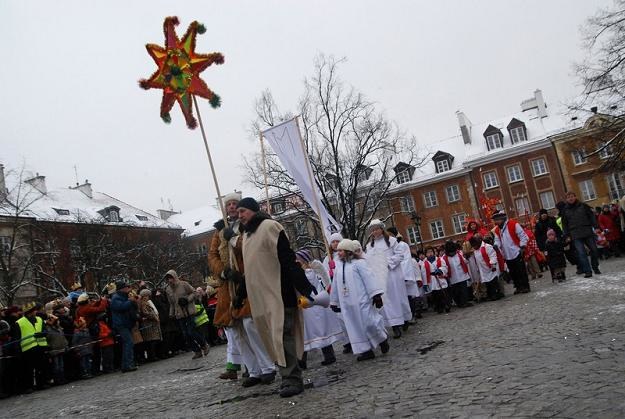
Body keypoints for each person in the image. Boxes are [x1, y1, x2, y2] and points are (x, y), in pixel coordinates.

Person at [237, 197, 317, 398]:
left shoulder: (270, 227)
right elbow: (251, 270)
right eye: (238, 212)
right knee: (272, 339)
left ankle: (292, 378)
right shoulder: (246, 236)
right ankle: (286, 375)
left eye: (243, 211)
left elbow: (287, 258)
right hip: (261, 298)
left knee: (283, 335)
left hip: (279, 292)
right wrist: (240, 294)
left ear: (254, 211)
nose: (239, 215)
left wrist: (303, 285)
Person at [208, 192, 276, 386]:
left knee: (250, 324)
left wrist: (233, 240)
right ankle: (253, 370)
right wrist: (224, 272)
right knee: (237, 331)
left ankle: (267, 366)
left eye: (234, 204)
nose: (231, 207)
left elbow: (250, 248)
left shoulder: (248, 225)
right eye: (228, 204)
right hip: (228, 285)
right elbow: (212, 256)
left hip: (247, 279)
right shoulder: (218, 231)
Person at [329, 239, 389, 361]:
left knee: (369, 323)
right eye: (338, 250)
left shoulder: (359, 263)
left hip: (362, 300)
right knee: (354, 327)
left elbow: (369, 279)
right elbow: (335, 285)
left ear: (348, 251)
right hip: (347, 304)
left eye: (341, 250)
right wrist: (334, 301)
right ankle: (366, 350)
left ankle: (382, 339)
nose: (338, 252)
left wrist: (376, 295)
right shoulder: (339, 267)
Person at [295, 249, 343, 368]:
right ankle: (301, 361)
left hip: (313, 305)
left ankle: (328, 356)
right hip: (305, 307)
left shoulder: (308, 272)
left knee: (319, 331)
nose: (296, 261)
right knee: (304, 334)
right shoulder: (301, 272)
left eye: (298, 259)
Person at [365, 219, 411, 339]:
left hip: (393, 275)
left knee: (398, 298)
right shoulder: (370, 246)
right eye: (373, 230)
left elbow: (400, 255)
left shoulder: (391, 241)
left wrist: (387, 263)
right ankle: (394, 326)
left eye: (377, 229)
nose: (375, 232)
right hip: (380, 277)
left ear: (381, 229)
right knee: (387, 302)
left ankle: (404, 319)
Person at [164, 269, 208, 359]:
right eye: (168, 279)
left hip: (189, 311)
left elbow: (194, 293)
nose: (169, 280)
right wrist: (171, 314)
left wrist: (187, 299)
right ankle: (197, 351)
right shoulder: (168, 290)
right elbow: (171, 303)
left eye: (171, 278)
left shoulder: (184, 284)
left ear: (174, 277)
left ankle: (204, 344)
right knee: (185, 335)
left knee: (191, 332)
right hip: (179, 314)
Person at [560, 191, 601, 278]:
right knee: (581, 253)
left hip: (587, 231)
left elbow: (591, 217)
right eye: (568, 197)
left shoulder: (583, 205)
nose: (570, 198)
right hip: (575, 234)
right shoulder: (565, 210)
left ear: (575, 197)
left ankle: (595, 266)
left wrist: (596, 227)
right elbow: (564, 224)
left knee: (594, 250)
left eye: (572, 196)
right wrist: (567, 235)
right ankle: (588, 271)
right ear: (566, 199)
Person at [13, 302, 49, 393]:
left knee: (41, 367)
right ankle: (28, 387)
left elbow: (45, 330)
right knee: (28, 370)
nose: (36, 311)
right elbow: (17, 338)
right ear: (30, 312)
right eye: (34, 310)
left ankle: (41, 384)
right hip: (28, 349)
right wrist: (18, 352)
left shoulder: (39, 319)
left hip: (40, 346)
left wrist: (43, 333)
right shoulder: (19, 322)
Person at [386, 228, 420, 324]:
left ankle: (411, 316)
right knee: (398, 298)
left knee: (408, 297)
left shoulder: (402, 245)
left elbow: (405, 261)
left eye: (390, 235)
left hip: (404, 276)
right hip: (394, 277)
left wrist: (404, 276)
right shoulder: (388, 247)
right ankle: (402, 318)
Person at [492, 211, 531, 294]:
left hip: (517, 251)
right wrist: (496, 245)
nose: (496, 222)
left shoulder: (513, 224)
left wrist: (522, 246)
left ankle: (525, 286)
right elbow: (497, 240)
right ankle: (518, 287)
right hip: (507, 254)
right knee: (513, 272)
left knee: (521, 270)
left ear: (502, 218)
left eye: (497, 220)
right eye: (495, 220)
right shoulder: (497, 230)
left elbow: (523, 236)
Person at [110, 279, 138, 373]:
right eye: (126, 287)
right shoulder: (116, 298)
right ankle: (127, 365)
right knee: (128, 343)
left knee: (128, 343)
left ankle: (128, 364)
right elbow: (121, 307)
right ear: (122, 288)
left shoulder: (122, 296)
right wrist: (131, 301)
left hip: (126, 323)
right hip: (121, 324)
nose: (128, 289)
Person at [469, 234, 503, 301]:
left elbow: (493, 255)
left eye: (475, 245)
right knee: (488, 283)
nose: (474, 247)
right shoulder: (476, 250)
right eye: (473, 246)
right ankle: (491, 295)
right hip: (483, 270)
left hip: (491, 268)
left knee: (493, 282)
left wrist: (493, 264)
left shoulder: (487, 247)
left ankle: (496, 294)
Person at [441, 240, 472, 308]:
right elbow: (444, 267)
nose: (452, 254)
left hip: (462, 275)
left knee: (464, 291)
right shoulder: (444, 258)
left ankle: (465, 302)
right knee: (456, 292)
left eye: (453, 252)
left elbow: (465, 261)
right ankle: (459, 303)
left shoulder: (459, 254)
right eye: (450, 253)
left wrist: (467, 257)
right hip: (453, 278)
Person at [420, 247, 451, 313]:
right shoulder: (424, 263)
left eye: (431, 252)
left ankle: (447, 305)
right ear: (426, 254)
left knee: (444, 294)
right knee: (435, 296)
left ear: (434, 252)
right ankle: (439, 308)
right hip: (432, 280)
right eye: (428, 252)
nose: (430, 253)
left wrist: (440, 270)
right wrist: (425, 284)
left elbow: (445, 267)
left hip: (440, 278)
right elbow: (423, 274)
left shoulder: (440, 259)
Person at [139, 289, 162, 362]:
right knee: (151, 341)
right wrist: (154, 317)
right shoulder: (143, 304)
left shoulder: (147, 303)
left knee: (153, 340)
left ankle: (153, 355)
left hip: (152, 324)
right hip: (148, 324)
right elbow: (146, 313)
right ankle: (151, 356)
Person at [45, 313, 68, 385]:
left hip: (61, 349)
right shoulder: (48, 329)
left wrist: (66, 345)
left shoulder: (59, 328)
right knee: (56, 366)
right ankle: (57, 380)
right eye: (57, 321)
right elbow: (47, 339)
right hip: (54, 350)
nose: (58, 322)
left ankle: (62, 378)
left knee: (61, 366)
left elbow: (63, 338)